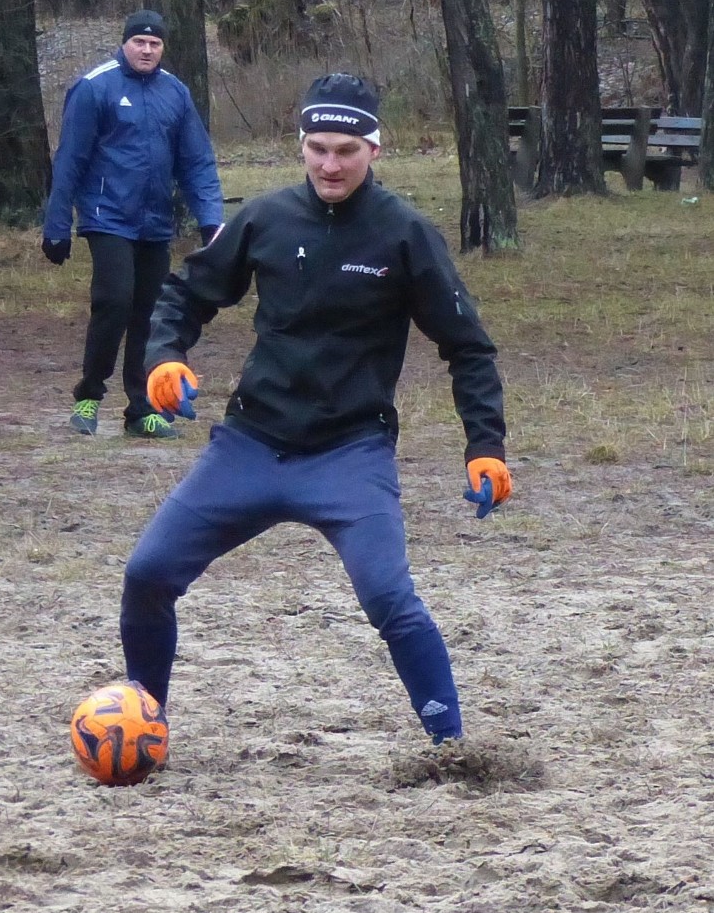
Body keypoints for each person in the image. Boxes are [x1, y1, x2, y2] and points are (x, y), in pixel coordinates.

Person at [119, 73, 512, 745]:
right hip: (249, 443)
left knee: (391, 599)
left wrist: (486, 446)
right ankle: (142, 722)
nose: (331, 164)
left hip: (349, 454)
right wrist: (163, 357)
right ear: (301, 145)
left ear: (374, 151)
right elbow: (183, 295)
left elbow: (468, 347)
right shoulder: (266, 219)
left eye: (347, 150)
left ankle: (454, 749)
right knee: (147, 574)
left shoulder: (406, 234)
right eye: (319, 147)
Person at [41, 9, 224, 439]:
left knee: (151, 313)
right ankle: (88, 395)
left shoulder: (175, 93)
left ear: (163, 48)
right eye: (139, 42)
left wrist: (211, 220)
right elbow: (70, 160)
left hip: (155, 222)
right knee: (115, 301)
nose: (147, 50)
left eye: (154, 43)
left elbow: (196, 161)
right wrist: (56, 224)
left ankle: (141, 410)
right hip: (107, 218)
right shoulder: (94, 87)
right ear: (125, 43)